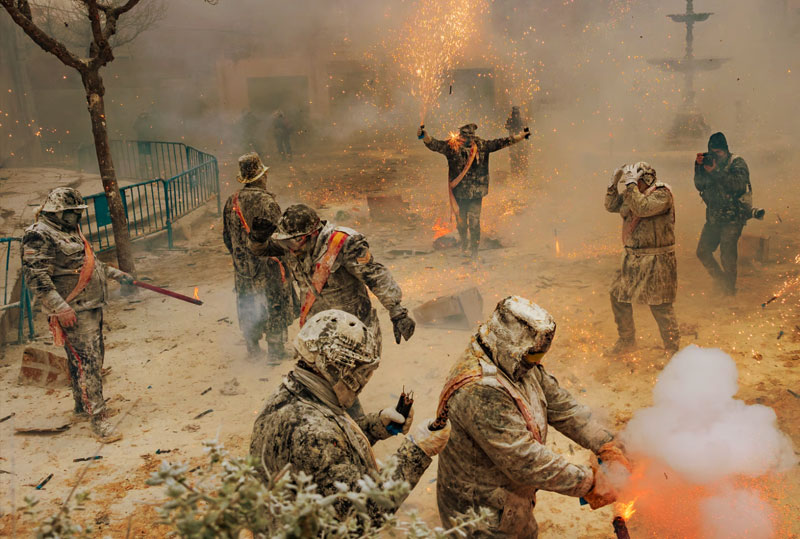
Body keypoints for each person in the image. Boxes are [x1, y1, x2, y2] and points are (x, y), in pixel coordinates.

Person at [436, 296, 628, 537]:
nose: (534, 365)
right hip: (481, 516)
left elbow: (563, 408)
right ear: (508, 344)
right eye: (531, 358)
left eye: (538, 358)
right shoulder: (479, 391)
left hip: (509, 503)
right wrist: (590, 483)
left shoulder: (513, 362)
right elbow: (525, 459)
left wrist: (605, 443)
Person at [250, 309, 450, 528]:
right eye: (362, 373)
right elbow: (365, 512)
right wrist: (417, 451)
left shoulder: (293, 394)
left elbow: (333, 445)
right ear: (337, 369)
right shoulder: (313, 434)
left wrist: (376, 425)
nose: (363, 383)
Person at [21, 187, 134, 443]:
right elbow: (37, 278)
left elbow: (89, 264)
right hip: (73, 310)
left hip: (90, 306)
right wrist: (60, 308)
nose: (78, 217)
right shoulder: (38, 235)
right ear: (60, 212)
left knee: (83, 361)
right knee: (89, 363)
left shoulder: (68, 231)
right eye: (73, 213)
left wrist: (117, 275)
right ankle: (99, 419)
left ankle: (82, 408)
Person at [248, 203, 415, 351]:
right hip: (317, 328)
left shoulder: (344, 243)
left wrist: (397, 311)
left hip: (353, 327)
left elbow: (375, 275)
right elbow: (260, 250)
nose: (290, 249)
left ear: (313, 234)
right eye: (285, 243)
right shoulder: (293, 243)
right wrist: (258, 238)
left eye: (293, 243)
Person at [418, 122, 529, 258]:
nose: (467, 139)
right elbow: (435, 144)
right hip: (459, 192)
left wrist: (521, 136)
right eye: (464, 136)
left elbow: (502, 142)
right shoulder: (452, 146)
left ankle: (474, 250)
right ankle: (465, 244)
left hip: (476, 191)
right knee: (461, 222)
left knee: (475, 222)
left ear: (473, 136)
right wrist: (424, 136)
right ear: (460, 135)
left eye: (469, 136)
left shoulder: (481, 146)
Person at [223, 152, 294, 361]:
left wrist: (240, 259)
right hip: (269, 266)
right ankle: (276, 350)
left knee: (248, 304)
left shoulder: (232, 201)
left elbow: (227, 237)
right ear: (261, 177)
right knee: (275, 304)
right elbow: (281, 237)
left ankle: (252, 349)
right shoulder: (266, 202)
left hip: (243, 270)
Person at [604, 162, 680, 355]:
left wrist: (630, 186)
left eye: (634, 182)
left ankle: (673, 350)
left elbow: (642, 208)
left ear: (645, 179)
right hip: (633, 258)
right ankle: (627, 340)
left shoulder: (662, 194)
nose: (631, 186)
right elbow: (611, 206)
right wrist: (613, 185)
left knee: (660, 305)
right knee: (618, 296)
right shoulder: (633, 193)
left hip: (657, 260)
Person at [694, 132, 753, 295]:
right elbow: (699, 185)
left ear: (726, 150)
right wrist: (699, 167)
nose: (716, 156)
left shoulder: (737, 163)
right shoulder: (708, 163)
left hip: (733, 217)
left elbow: (738, 186)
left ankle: (729, 290)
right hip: (714, 217)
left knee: (727, 255)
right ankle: (721, 282)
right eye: (713, 152)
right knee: (702, 252)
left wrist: (715, 171)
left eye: (719, 153)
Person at [504, 106, 529, 178]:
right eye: (514, 113)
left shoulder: (521, 120)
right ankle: (515, 174)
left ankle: (522, 174)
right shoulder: (511, 120)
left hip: (519, 142)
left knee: (521, 159)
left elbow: (526, 130)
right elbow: (506, 126)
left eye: (516, 113)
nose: (515, 115)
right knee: (514, 158)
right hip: (514, 142)